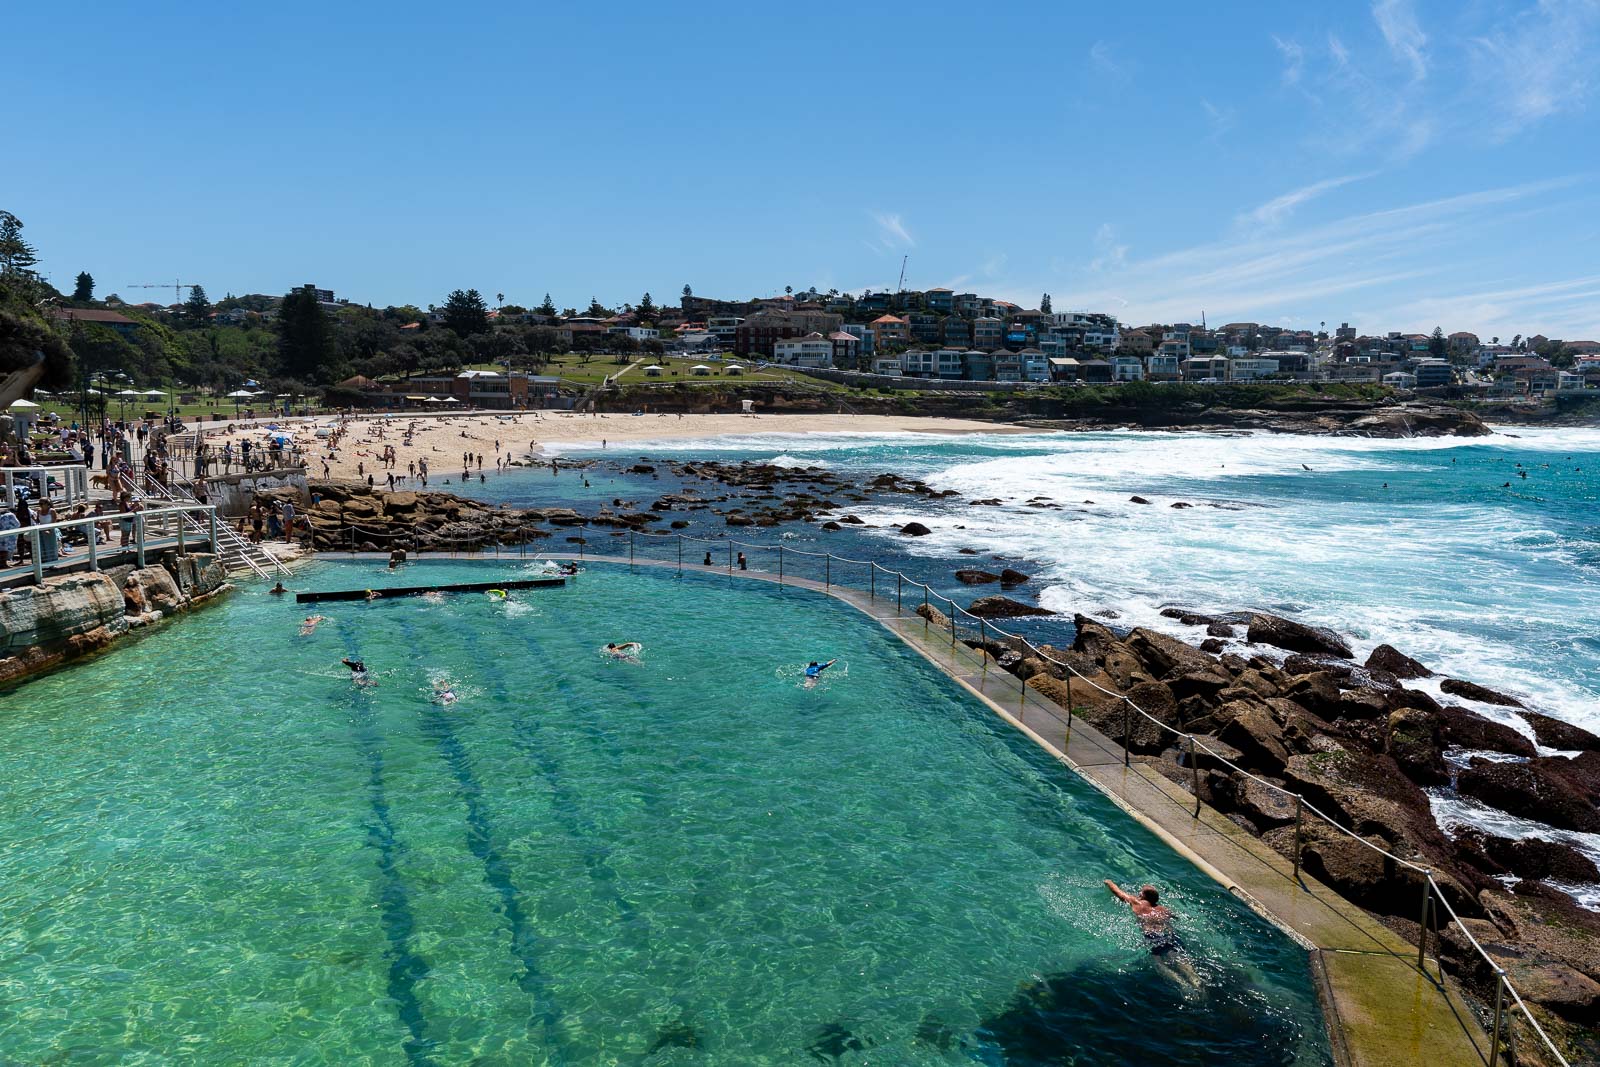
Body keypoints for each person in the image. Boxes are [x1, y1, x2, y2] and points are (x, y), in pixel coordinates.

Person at [1104, 880, 1201, 987]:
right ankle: (1195, 979)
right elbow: (1177, 918)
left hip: (1153, 936)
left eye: (1141, 892)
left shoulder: (1136, 903)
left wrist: (1109, 882)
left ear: (1142, 896)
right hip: (1170, 935)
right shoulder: (1164, 909)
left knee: (1159, 965)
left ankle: (1182, 983)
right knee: (1181, 960)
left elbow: (1118, 892)